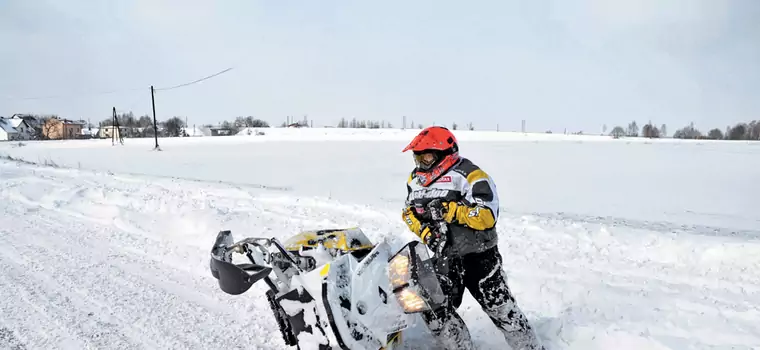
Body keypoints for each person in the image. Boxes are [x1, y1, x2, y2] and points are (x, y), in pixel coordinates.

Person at [400, 126, 544, 350]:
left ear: (445, 154)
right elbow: (408, 213)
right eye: (417, 157)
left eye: (426, 156)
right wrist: (426, 233)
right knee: (433, 308)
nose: (421, 163)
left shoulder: (470, 175)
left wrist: (453, 211)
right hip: (445, 258)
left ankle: (530, 347)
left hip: (479, 256)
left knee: (502, 310)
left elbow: (487, 215)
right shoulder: (415, 181)